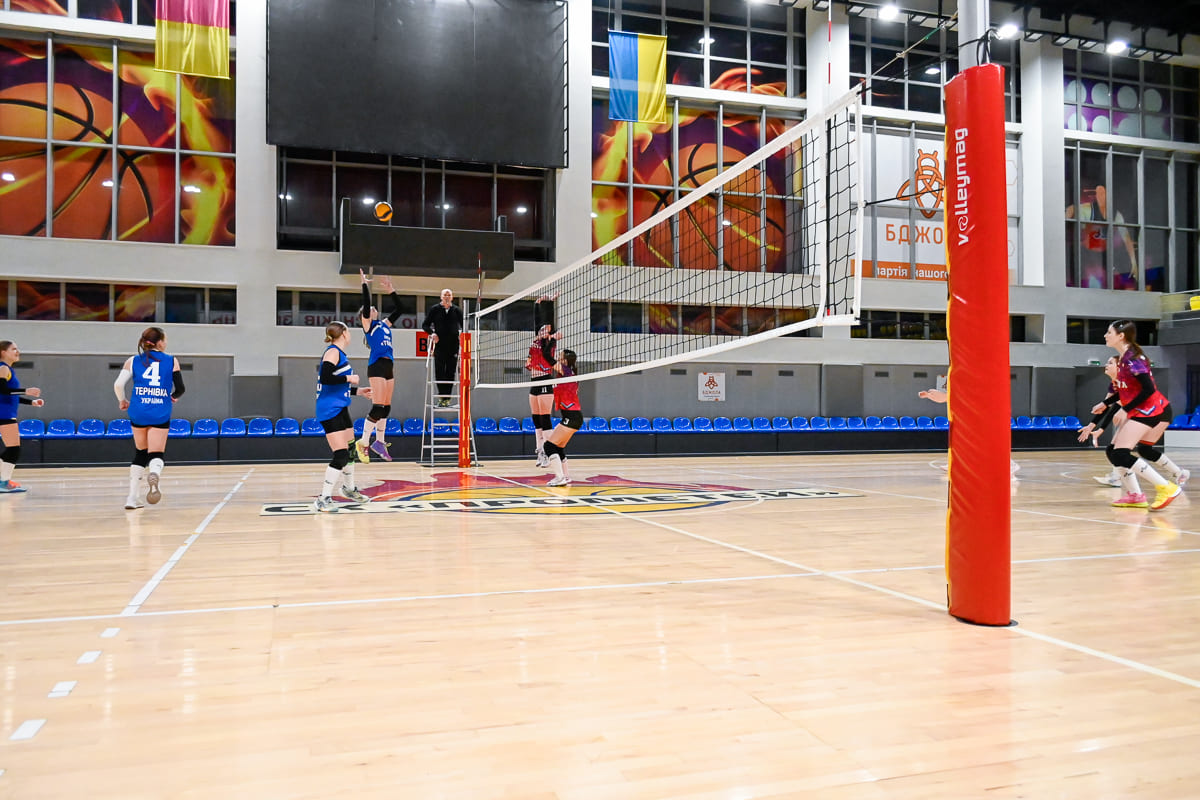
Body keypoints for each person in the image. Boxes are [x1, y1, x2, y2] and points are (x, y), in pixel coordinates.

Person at [1096, 320, 1186, 510]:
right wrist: (1105, 403)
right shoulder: (1124, 359)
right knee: (1113, 452)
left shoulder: (1133, 359)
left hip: (1149, 410)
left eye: (1109, 332)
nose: (1105, 335)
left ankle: (1166, 487)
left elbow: (1148, 389)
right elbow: (1127, 391)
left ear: (1121, 336)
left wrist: (1125, 409)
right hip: (1140, 409)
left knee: (1122, 453)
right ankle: (1136, 496)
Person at [113, 327, 184, 509]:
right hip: (159, 410)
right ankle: (154, 473)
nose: (166, 343)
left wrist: (122, 401)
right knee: (156, 454)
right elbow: (181, 388)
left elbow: (118, 384)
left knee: (140, 453)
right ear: (159, 342)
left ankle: (132, 498)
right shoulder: (171, 360)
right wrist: (173, 396)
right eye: (165, 340)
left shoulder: (132, 360)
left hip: (138, 410)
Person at [313, 321, 373, 512]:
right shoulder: (333, 352)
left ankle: (349, 488)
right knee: (341, 455)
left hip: (340, 407)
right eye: (349, 330)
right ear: (344, 333)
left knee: (350, 451)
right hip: (329, 410)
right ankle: (323, 498)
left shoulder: (339, 354)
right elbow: (326, 378)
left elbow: (335, 386)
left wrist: (358, 391)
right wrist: (349, 378)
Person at [918, 382, 1019, 476]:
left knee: (988, 444)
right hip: (969, 418)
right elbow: (945, 398)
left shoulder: (973, 390)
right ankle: (955, 463)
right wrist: (933, 396)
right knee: (963, 443)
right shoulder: (958, 393)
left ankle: (1010, 465)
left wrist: (941, 396)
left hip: (983, 418)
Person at [354, 270, 403, 463]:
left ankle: (380, 442)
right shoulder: (369, 325)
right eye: (370, 309)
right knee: (378, 406)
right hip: (376, 367)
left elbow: (400, 309)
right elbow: (366, 306)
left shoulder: (384, 324)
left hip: (389, 366)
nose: (373, 308)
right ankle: (363, 442)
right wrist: (364, 284)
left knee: (386, 408)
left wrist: (391, 290)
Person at [1066, 184, 1139, 290]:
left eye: (1103, 194)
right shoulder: (1086, 210)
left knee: (1112, 280)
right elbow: (1072, 212)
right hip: (1087, 254)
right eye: (1099, 193)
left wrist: (1133, 262)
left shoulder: (1116, 215)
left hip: (1104, 254)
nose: (1101, 197)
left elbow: (1127, 239)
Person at [0, 340, 45, 494]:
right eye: (13, 349)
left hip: (5, 413)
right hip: (4, 414)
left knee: (12, 448)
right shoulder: (3, 368)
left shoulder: (6, 369)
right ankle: (3, 482)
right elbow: (2, 390)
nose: (17, 351)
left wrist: (31, 402)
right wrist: (26, 391)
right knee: (13, 449)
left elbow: (9, 395)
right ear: (3, 352)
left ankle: (3, 479)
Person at [1076, 356, 1124, 486]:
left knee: (1122, 451)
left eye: (1110, 363)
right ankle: (1117, 477)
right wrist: (1092, 427)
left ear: (1119, 367)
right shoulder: (1114, 384)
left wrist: (1104, 404)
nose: (1106, 365)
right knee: (1114, 450)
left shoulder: (1126, 382)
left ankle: (1120, 477)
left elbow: (1109, 404)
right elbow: (1106, 408)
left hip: (1145, 416)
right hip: (1132, 416)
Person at [527, 293, 562, 467]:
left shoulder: (549, 343)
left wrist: (550, 303)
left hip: (545, 381)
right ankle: (540, 452)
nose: (542, 331)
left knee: (545, 419)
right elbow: (537, 322)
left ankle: (549, 452)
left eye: (546, 330)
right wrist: (537, 304)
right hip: (534, 382)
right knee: (536, 420)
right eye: (541, 330)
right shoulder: (537, 339)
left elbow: (550, 323)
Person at [544, 349, 581, 487]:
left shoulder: (566, 371)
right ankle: (565, 476)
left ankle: (560, 478)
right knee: (558, 447)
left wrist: (548, 340)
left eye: (560, 355)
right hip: (573, 417)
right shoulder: (569, 373)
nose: (557, 357)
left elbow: (547, 356)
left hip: (571, 417)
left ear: (565, 360)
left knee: (548, 446)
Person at [421, 288, 463, 408]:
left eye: (449, 295)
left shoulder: (457, 310)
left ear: (452, 297)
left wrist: (462, 337)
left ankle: (447, 399)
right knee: (440, 372)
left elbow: (465, 325)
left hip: (453, 346)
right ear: (441, 297)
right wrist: (432, 333)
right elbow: (425, 325)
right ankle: (441, 397)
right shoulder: (435, 309)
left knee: (450, 372)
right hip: (439, 345)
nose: (447, 297)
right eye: (445, 295)